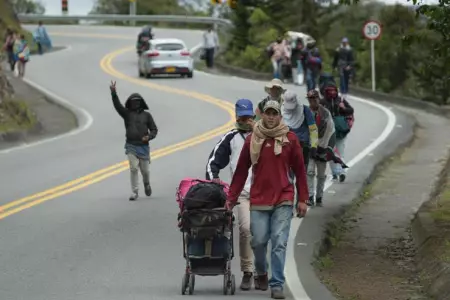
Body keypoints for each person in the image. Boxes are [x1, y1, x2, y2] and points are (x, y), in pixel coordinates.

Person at [226, 100, 308, 299]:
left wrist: (303, 199)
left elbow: (300, 170)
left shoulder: (290, 139)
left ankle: (277, 283)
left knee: (279, 242)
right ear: (261, 115)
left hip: (284, 198)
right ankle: (261, 272)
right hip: (259, 199)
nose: (271, 117)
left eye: (275, 113)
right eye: (268, 113)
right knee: (259, 242)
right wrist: (231, 198)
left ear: (280, 116)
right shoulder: (252, 139)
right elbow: (240, 172)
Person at [205, 98, 255, 291]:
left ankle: (265, 272)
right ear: (236, 116)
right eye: (241, 116)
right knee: (246, 229)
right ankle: (248, 271)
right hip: (242, 194)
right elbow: (212, 163)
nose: (245, 119)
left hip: (265, 193)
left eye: (248, 116)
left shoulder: (263, 135)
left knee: (263, 234)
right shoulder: (231, 138)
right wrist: (214, 180)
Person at [109, 81, 158, 201]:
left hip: (144, 147)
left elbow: (154, 129)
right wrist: (114, 93)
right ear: (130, 103)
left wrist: (149, 136)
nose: (135, 103)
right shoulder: (126, 114)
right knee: (133, 168)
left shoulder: (147, 115)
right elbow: (118, 106)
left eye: (137, 101)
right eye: (133, 101)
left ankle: (147, 184)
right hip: (131, 146)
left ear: (141, 103)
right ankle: (135, 192)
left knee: (145, 171)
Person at [306, 90, 335, 206]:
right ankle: (310, 196)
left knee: (321, 175)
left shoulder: (325, 113)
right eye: (310, 99)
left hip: (322, 146)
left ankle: (319, 197)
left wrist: (324, 146)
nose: (312, 101)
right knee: (310, 172)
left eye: (314, 99)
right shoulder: (306, 112)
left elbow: (329, 130)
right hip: (309, 146)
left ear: (318, 99)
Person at [321, 84, 354, 182]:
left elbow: (350, 110)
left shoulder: (323, 102)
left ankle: (336, 172)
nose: (332, 93)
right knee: (340, 152)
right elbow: (351, 110)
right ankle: (340, 172)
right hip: (340, 130)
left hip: (330, 132)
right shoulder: (340, 100)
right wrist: (343, 108)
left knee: (331, 152)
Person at [281, 91, 318, 169]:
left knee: (302, 172)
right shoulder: (281, 111)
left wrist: (314, 146)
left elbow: (313, 129)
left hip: (303, 145)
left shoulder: (305, 110)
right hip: (287, 145)